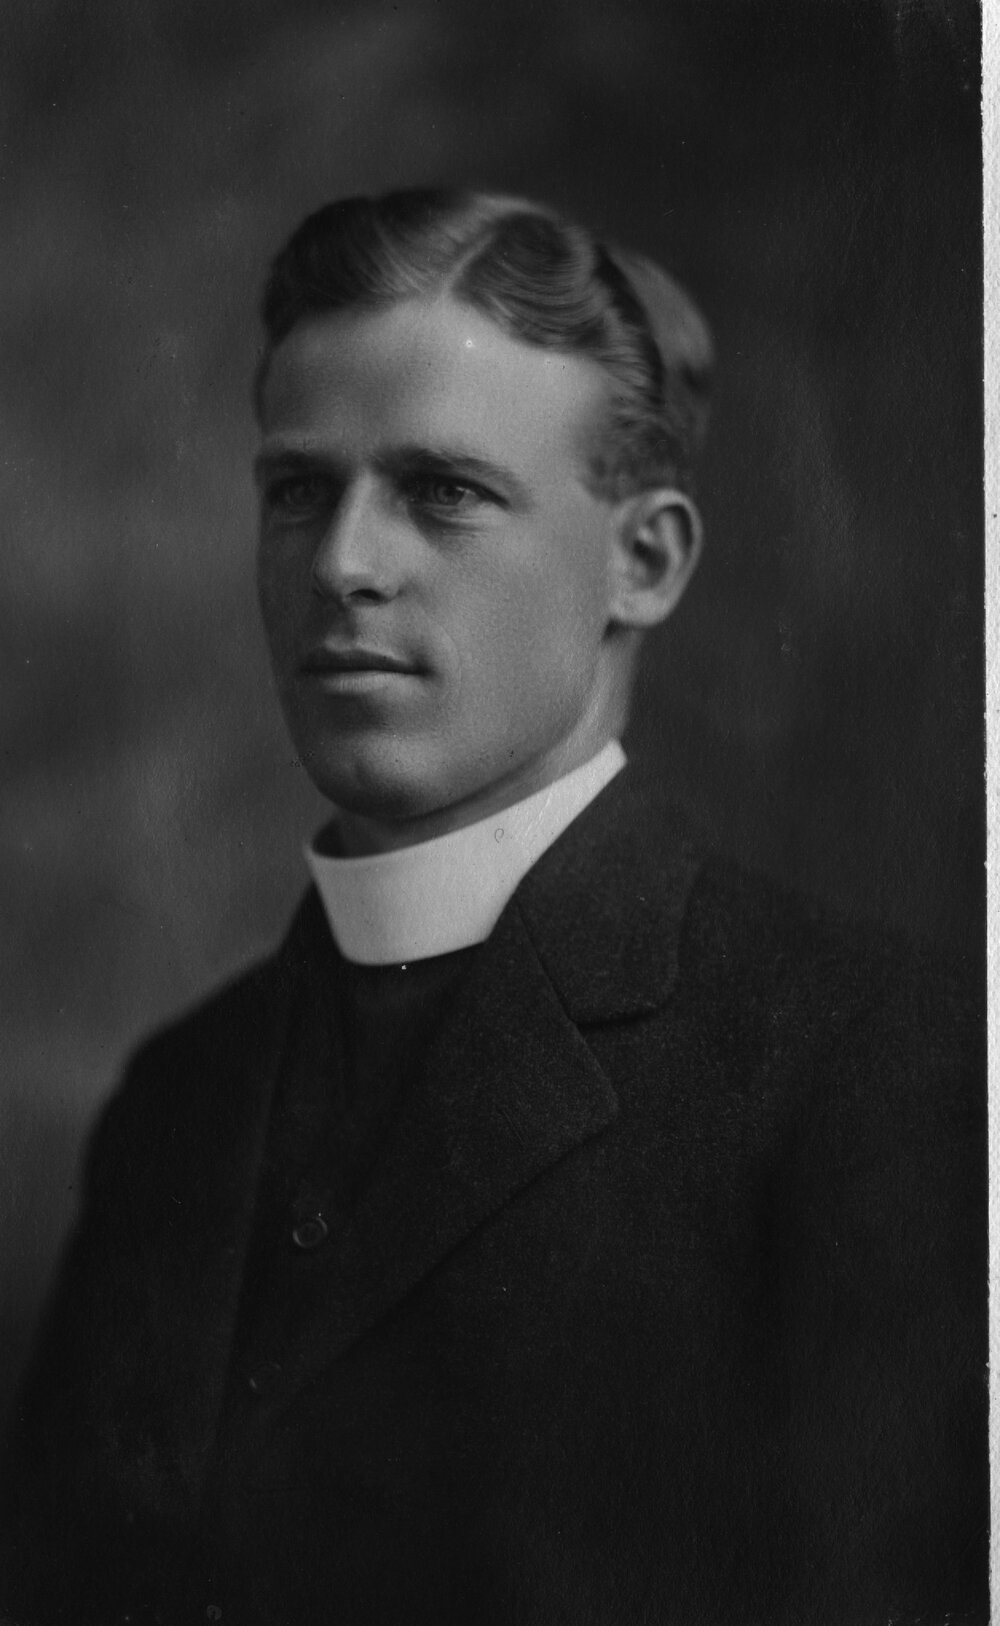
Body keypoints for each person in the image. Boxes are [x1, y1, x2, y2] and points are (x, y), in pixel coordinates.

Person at [0, 188, 987, 1626]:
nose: (343, 562)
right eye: (296, 490)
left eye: (444, 491)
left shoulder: (869, 1065)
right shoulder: (177, 1102)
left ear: (641, 562)